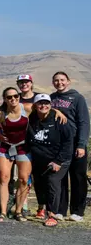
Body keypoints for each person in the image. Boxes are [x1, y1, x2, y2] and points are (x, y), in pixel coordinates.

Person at [0, 87, 33, 222]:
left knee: (23, 179)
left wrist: (59, 113)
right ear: (4, 99)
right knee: (4, 178)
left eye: (16, 96)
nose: (13, 99)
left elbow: (47, 110)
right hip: (6, 148)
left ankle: (18, 211)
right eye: (9, 97)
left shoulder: (27, 108)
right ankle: (3, 212)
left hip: (23, 146)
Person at [28, 94, 74, 227]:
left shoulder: (58, 119)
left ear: (50, 105)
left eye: (46, 103)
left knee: (52, 181)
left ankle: (53, 214)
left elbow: (68, 142)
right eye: (40, 103)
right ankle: (41, 207)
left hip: (59, 159)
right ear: (35, 106)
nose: (43, 106)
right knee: (39, 183)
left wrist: (58, 161)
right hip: (39, 160)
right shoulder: (32, 118)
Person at [50, 71, 89, 222]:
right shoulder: (51, 98)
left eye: (62, 80)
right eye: (56, 80)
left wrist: (81, 144)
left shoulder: (77, 98)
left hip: (75, 143)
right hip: (59, 146)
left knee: (78, 177)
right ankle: (60, 209)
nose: (59, 82)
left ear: (68, 81)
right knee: (60, 178)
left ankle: (77, 211)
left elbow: (84, 122)